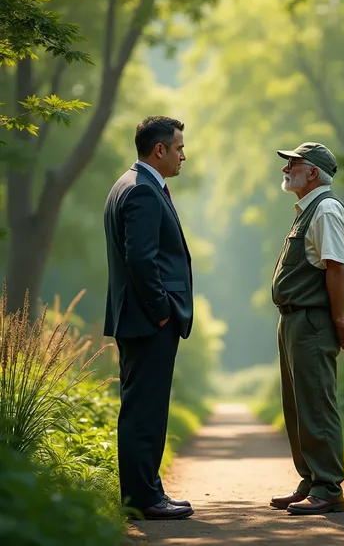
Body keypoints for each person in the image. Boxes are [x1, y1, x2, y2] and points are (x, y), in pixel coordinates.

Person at [103, 116, 194, 520]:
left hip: (138, 318)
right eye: (178, 148)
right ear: (159, 149)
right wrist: (161, 312)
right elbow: (140, 258)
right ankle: (143, 499)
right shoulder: (141, 190)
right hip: (147, 320)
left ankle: (147, 491)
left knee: (143, 407)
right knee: (145, 409)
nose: (182, 155)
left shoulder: (129, 183)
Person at [270, 142, 344, 516]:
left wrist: (339, 319)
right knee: (297, 404)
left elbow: (336, 267)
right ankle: (311, 479)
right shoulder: (308, 209)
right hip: (293, 320)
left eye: (294, 162)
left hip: (312, 320)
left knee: (317, 403)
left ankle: (328, 487)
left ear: (313, 172)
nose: (286, 167)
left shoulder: (325, 210)